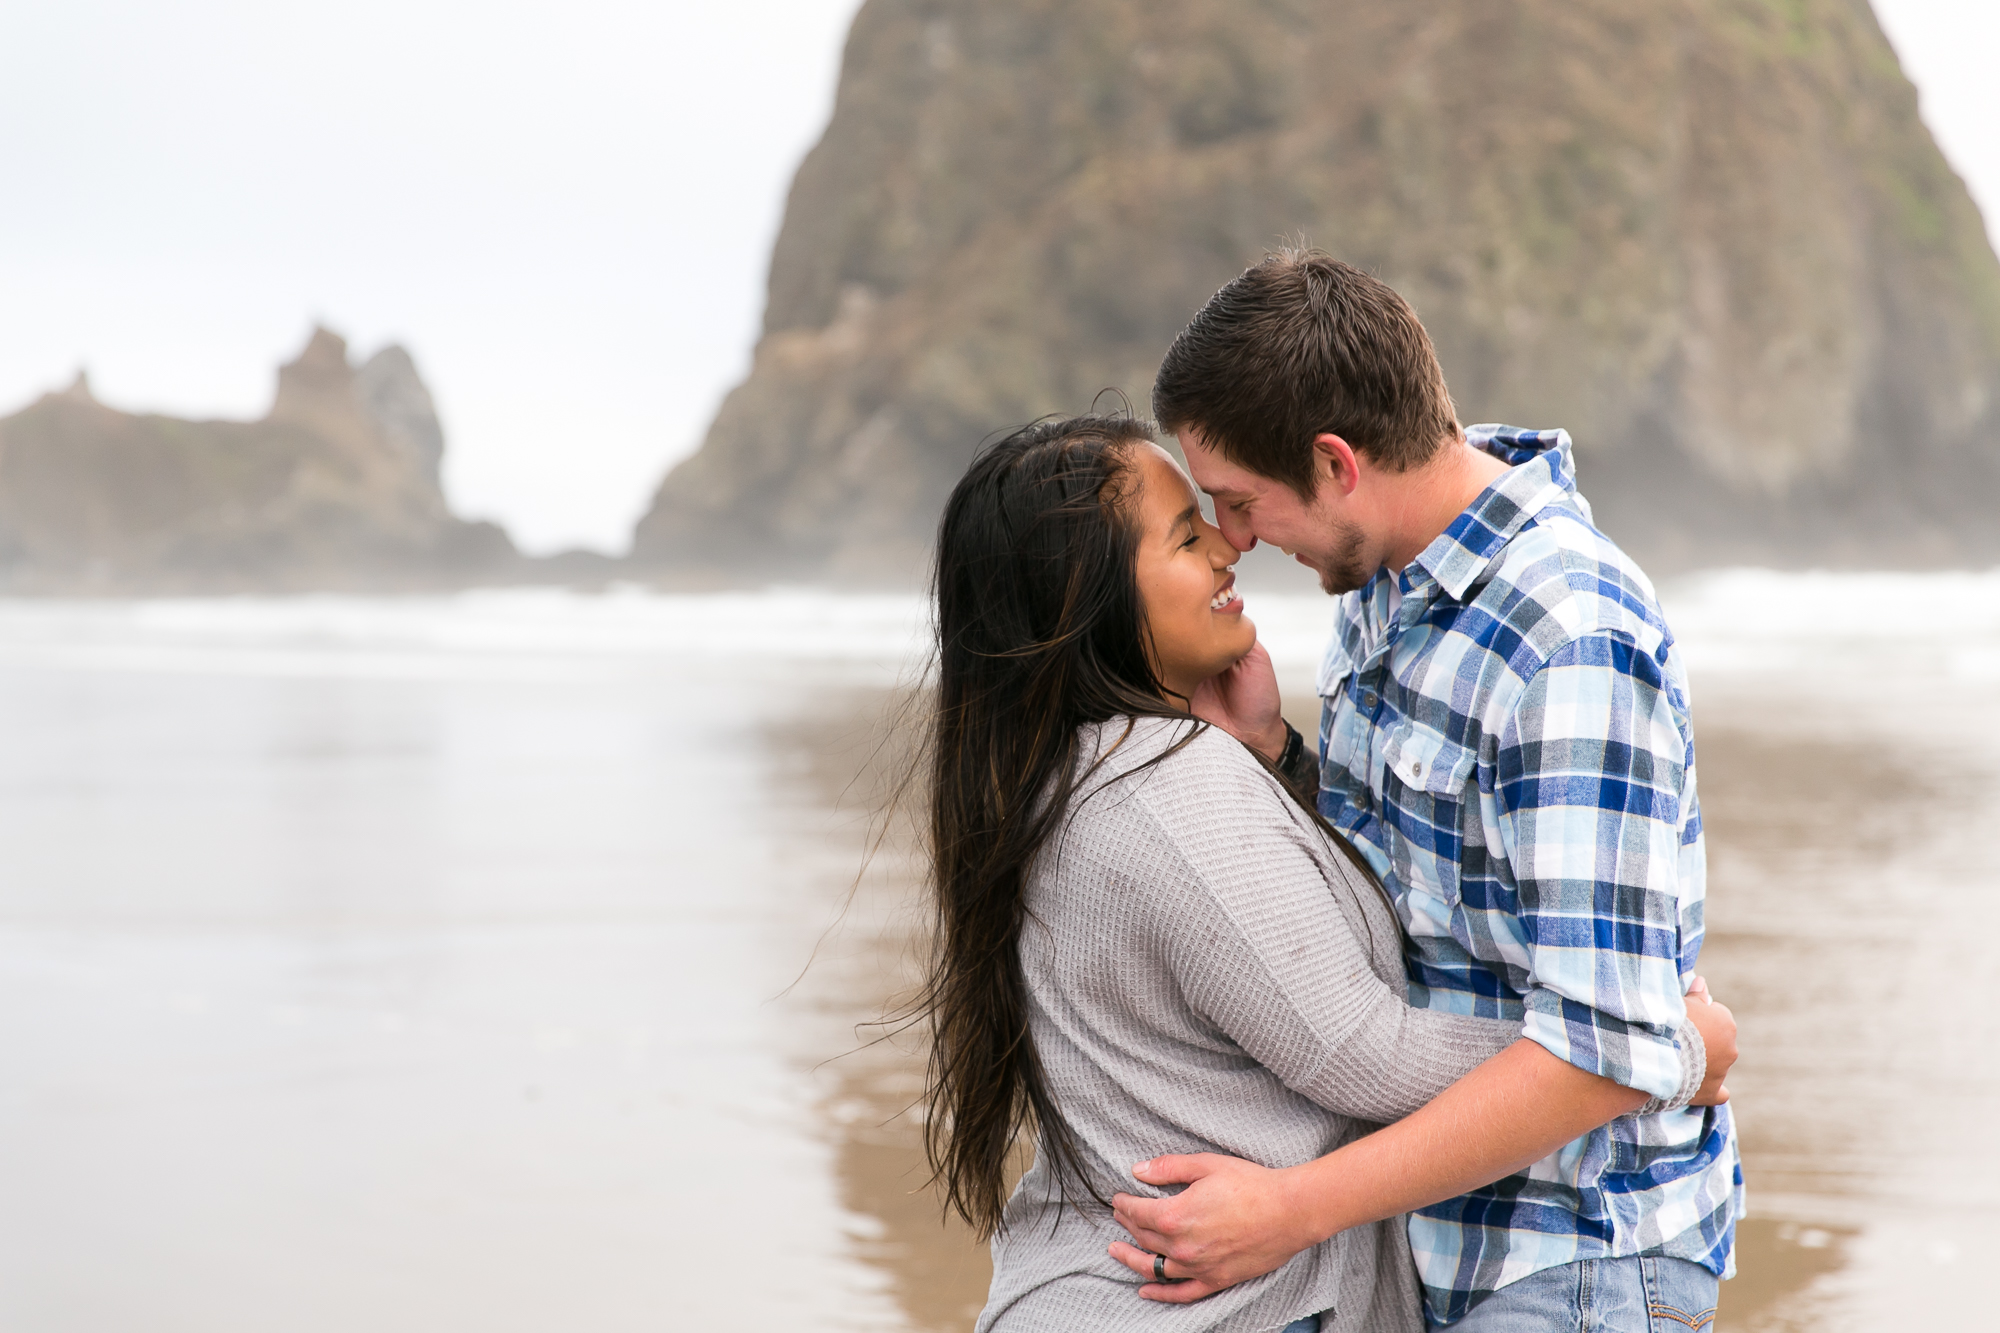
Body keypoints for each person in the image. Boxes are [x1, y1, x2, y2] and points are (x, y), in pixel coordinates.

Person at [918, 412, 1734, 1333]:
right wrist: (1659, 1047)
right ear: (1086, 598)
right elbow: (1361, 1050)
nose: (1231, 549)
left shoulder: (1063, 778)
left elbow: (1278, 944)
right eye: (1190, 534)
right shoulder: (1168, 790)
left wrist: (1270, 754)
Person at [1111, 250, 1742, 1330]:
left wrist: (1289, 1210)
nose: (1234, 541)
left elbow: (1596, 1057)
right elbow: (1405, 896)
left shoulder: (1569, 639)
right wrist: (1275, 755)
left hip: (1570, 1254)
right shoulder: (1384, 579)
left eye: (1238, 502)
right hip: (1421, 1235)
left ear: (1335, 463)